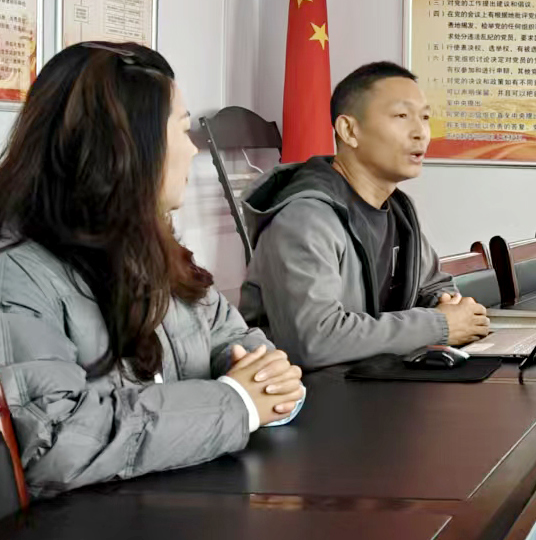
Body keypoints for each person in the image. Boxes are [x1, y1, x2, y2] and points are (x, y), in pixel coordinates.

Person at [0, 43, 304, 499]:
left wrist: (265, 379)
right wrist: (236, 402)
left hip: (186, 502)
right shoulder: (16, 270)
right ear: (127, 147)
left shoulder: (152, 243)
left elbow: (232, 337)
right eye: (182, 129)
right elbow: (57, 443)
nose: (193, 149)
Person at [240, 62, 489, 369]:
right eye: (401, 116)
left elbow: (432, 285)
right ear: (349, 130)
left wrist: (449, 306)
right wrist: (440, 325)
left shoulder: (398, 210)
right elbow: (314, 340)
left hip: (373, 382)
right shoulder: (304, 219)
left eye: (425, 117)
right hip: (305, 390)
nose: (421, 133)